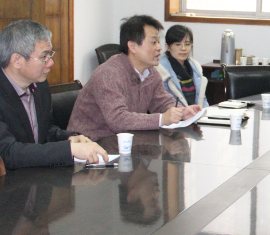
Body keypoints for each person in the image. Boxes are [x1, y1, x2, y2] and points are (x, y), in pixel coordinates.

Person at [0, 20, 108, 172]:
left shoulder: (39, 85)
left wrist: (69, 138)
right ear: (17, 61)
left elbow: (44, 130)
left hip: (34, 176)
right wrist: (69, 149)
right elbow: (9, 153)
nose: (51, 63)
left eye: (50, 55)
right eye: (44, 56)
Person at [68, 15, 201, 141]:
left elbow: (161, 102)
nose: (159, 48)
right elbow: (118, 120)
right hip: (91, 144)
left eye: (158, 42)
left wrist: (182, 111)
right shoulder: (108, 74)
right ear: (132, 46)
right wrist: (161, 119)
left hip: (125, 142)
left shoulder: (151, 72)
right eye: (153, 42)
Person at [156, 24, 209, 108]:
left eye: (187, 44)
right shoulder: (160, 70)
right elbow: (163, 103)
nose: (183, 48)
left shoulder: (196, 67)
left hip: (196, 114)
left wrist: (206, 113)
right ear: (167, 47)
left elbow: (202, 99)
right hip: (175, 114)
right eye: (178, 44)